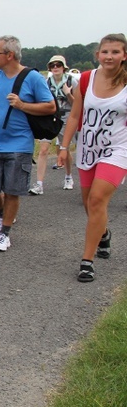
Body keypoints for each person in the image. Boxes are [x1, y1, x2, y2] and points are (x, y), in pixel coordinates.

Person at [0, 35, 56, 252]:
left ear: (9, 55)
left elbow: (50, 107)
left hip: (20, 144)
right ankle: (1, 214)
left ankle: (5, 233)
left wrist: (23, 105)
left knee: (12, 191)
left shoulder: (33, 77)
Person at [57, 33, 127, 282]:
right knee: (88, 203)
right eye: (105, 51)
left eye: (115, 52)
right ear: (98, 54)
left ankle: (87, 261)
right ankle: (104, 233)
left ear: (124, 56)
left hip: (118, 150)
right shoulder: (86, 79)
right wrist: (64, 148)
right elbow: (75, 116)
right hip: (88, 148)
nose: (109, 56)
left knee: (97, 199)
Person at [29, 55, 79, 194]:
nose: (55, 68)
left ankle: (68, 177)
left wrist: (68, 93)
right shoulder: (46, 82)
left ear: (64, 67)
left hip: (66, 116)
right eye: (53, 65)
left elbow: (77, 105)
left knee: (65, 148)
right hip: (50, 118)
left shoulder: (72, 81)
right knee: (43, 149)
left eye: (58, 65)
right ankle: (39, 184)